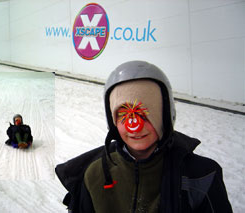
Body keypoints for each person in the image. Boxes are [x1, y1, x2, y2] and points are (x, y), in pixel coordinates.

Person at [55, 61, 232, 212]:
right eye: (123, 114)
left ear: (164, 115)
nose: (135, 126)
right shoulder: (93, 174)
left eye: (144, 112)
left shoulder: (201, 177)